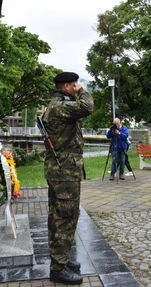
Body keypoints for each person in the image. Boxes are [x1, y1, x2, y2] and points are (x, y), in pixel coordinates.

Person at [42, 71, 93, 285]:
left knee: (58, 215)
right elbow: (87, 107)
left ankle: (60, 259)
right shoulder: (60, 106)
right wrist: (83, 90)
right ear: (66, 86)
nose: (77, 87)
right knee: (65, 217)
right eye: (74, 85)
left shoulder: (58, 105)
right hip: (64, 171)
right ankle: (58, 268)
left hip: (61, 169)